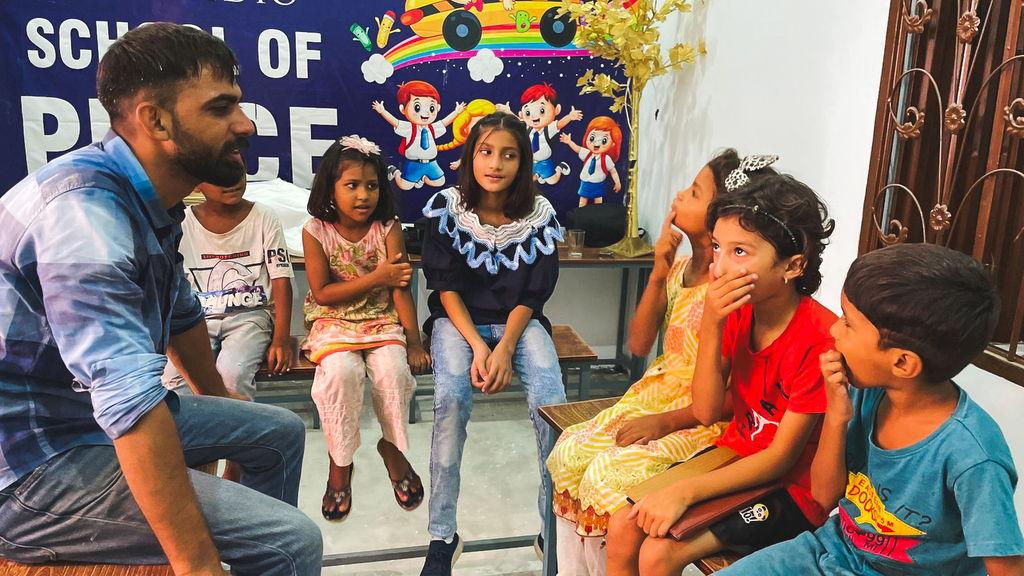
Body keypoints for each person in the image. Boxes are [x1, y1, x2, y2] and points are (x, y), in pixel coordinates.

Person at [0, 23, 321, 576]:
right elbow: (127, 401)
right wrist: (196, 564)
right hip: (31, 464)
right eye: (221, 108)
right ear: (155, 120)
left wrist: (217, 398)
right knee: (289, 541)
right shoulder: (86, 215)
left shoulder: (149, 196)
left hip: (81, 420)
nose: (245, 125)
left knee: (280, 432)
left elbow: (178, 313)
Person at [717, 243, 1024, 576]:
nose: (834, 330)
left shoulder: (973, 456)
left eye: (848, 324)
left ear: (903, 363)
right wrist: (836, 415)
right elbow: (824, 496)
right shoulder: (867, 395)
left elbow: (1005, 566)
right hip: (833, 550)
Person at [608, 160, 837, 576]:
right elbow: (708, 411)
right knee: (623, 526)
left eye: (740, 252)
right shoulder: (736, 312)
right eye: (717, 247)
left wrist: (685, 491)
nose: (720, 267)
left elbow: (781, 459)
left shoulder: (820, 340)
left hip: (793, 489)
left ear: (794, 265)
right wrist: (711, 323)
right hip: (735, 455)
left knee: (658, 553)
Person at [544, 150, 742, 576]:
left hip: (697, 417)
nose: (678, 195)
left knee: (608, 476)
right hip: (652, 396)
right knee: (569, 451)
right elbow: (639, 343)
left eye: (693, 192)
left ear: (722, 218)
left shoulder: (728, 292)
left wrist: (666, 422)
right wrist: (657, 272)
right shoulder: (682, 269)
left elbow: (735, 396)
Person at [418, 112, 567, 576]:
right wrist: (480, 348)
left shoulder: (539, 215)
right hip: (457, 322)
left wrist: (503, 348)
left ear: (523, 162)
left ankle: (552, 529)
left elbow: (534, 292)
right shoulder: (447, 208)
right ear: (471, 155)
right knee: (451, 399)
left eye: (509, 154)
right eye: (486, 151)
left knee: (553, 405)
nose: (496, 163)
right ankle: (443, 536)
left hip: (519, 323)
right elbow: (446, 288)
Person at [301, 135, 429, 523]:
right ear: (330, 188)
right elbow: (323, 293)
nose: (363, 195)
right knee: (340, 374)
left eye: (372, 185)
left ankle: (392, 447)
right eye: (352, 185)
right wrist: (378, 276)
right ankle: (340, 462)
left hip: (380, 320)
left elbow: (400, 288)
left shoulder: (388, 228)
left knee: (393, 371)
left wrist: (414, 340)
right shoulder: (316, 231)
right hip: (333, 321)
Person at [372, 81, 466, 190]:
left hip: (431, 163)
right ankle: (394, 171)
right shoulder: (409, 128)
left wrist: (456, 112)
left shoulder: (432, 128)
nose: (425, 114)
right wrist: (382, 111)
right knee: (404, 186)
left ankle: (422, 178)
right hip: (414, 163)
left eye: (431, 108)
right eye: (417, 107)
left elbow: (445, 122)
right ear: (403, 109)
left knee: (440, 182)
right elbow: (395, 122)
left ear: (438, 108)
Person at [519, 83, 582, 184]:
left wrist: (569, 117)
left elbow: (560, 123)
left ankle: (560, 168)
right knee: (527, 181)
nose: (534, 116)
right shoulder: (527, 128)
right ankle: (538, 175)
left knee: (553, 181)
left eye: (542, 110)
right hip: (530, 162)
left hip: (545, 162)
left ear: (557, 110)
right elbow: (515, 120)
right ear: (522, 114)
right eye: (528, 112)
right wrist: (507, 111)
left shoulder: (549, 128)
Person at [559, 116, 623, 207]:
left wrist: (617, 182)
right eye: (592, 138)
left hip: (598, 184)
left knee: (598, 201)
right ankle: (581, 214)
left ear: (613, 144)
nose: (596, 144)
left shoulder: (606, 159)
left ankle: (597, 215)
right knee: (582, 200)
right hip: (585, 182)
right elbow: (577, 149)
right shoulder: (587, 154)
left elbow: (613, 171)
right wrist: (569, 142)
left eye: (604, 140)